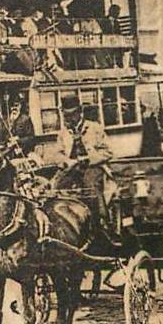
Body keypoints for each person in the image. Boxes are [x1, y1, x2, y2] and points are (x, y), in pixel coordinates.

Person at [52, 94, 114, 233]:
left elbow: (108, 152)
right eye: (66, 116)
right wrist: (66, 162)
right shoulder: (63, 133)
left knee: (90, 188)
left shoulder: (94, 128)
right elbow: (57, 154)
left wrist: (87, 159)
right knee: (55, 189)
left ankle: (101, 223)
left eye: (72, 115)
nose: (69, 119)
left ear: (80, 112)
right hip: (71, 169)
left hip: (92, 167)